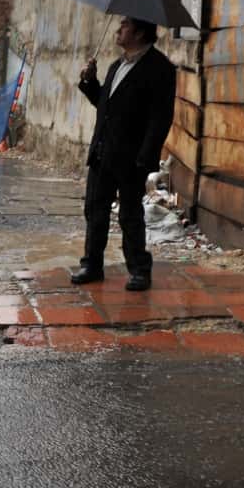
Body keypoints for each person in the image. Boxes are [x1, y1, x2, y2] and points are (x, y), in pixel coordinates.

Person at [71, 16, 176, 292]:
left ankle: (139, 270)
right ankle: (92, 265)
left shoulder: (160, 69)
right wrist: (90, 82)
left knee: (130, 214)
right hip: (102, 152)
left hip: (132, 157)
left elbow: (160, 118)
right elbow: (106, 106)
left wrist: (146, 156)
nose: (118, 30)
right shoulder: (117, 65)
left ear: (140, 33)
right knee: (95, 210)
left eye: (125, 26)